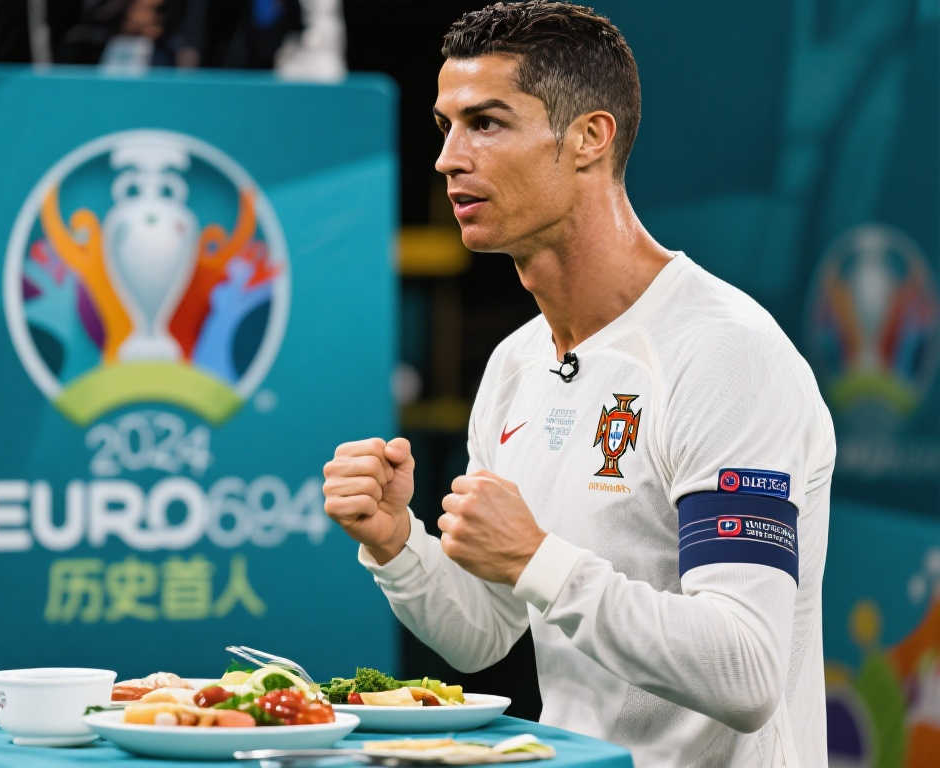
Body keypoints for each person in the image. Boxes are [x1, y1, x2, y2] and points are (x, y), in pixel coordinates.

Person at [322, 2, 835, 766]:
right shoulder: (516, 365)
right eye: (445, 126)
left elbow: (747, 669)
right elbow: (485, 631)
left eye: (486, 123)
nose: (448, 158)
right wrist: (398, 544)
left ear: (591, 137)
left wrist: (539, 559)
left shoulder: (726, 354)